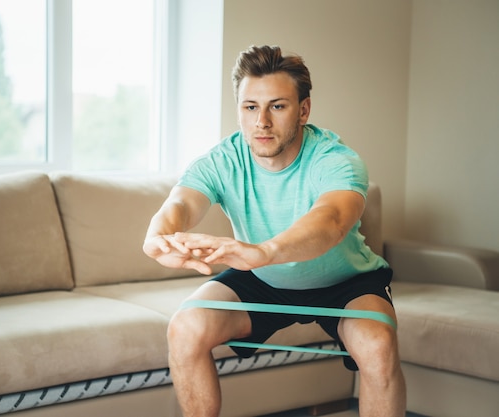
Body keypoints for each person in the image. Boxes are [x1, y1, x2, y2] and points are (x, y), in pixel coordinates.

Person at [142, 45, 406, 417]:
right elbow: (181, 204)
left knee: (378, 345)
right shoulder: (223, 159)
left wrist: (265, 251)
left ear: (304, 110)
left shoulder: (335, 159)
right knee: (185, 328)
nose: (261, 121)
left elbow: (330, 219)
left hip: (345, 282)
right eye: (250, 107)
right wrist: (159, 236)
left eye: (277, 106)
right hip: (263, 277)